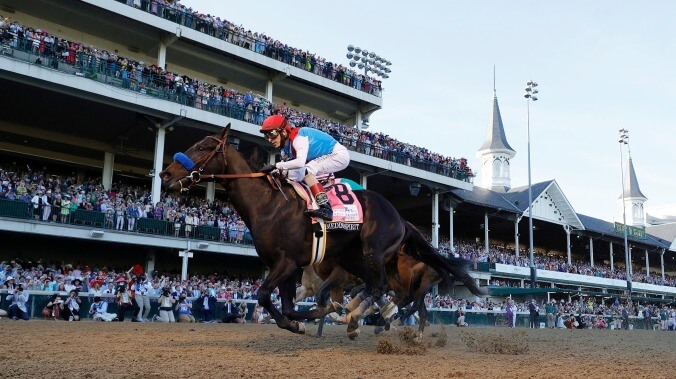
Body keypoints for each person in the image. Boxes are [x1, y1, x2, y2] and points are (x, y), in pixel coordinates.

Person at [258, 113, 350, 220]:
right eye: (266, 135)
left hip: (338, 154)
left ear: (283, 132)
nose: (269, 139)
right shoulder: (285, 149)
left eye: (272, 133)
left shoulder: (298, 138)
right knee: (292, 174)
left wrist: (275, 165)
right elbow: (287, 171)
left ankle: (326, 208)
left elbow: (300, 163)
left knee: (307, 170)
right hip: (325, 157)